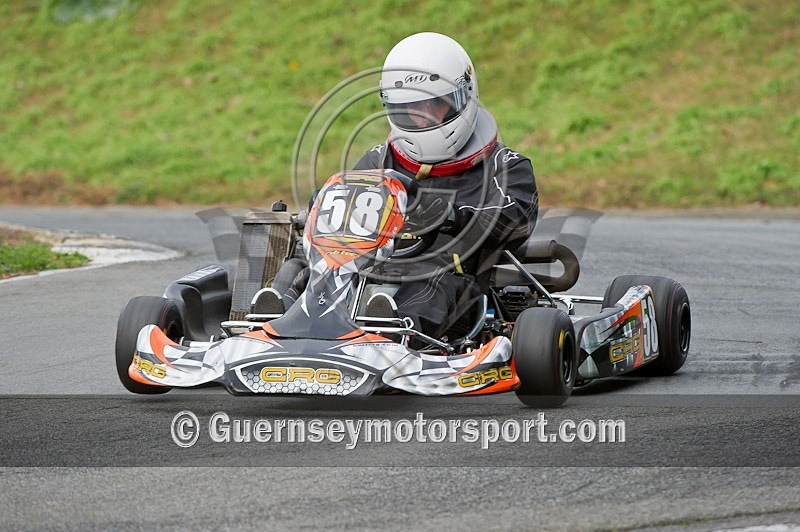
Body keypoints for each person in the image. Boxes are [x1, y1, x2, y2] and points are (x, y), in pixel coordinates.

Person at [273, 32, 538, 342]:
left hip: (452, 283)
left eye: (431, 106)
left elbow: (514, 219)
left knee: (435, 281)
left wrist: (454, 217)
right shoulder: (378, 159)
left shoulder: (504, 165)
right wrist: (324, 206)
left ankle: (391, 332)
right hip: (364, 275)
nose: (418, 117)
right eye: (408, 108)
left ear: (462, 98)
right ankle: (272, 323)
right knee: (298, 268)